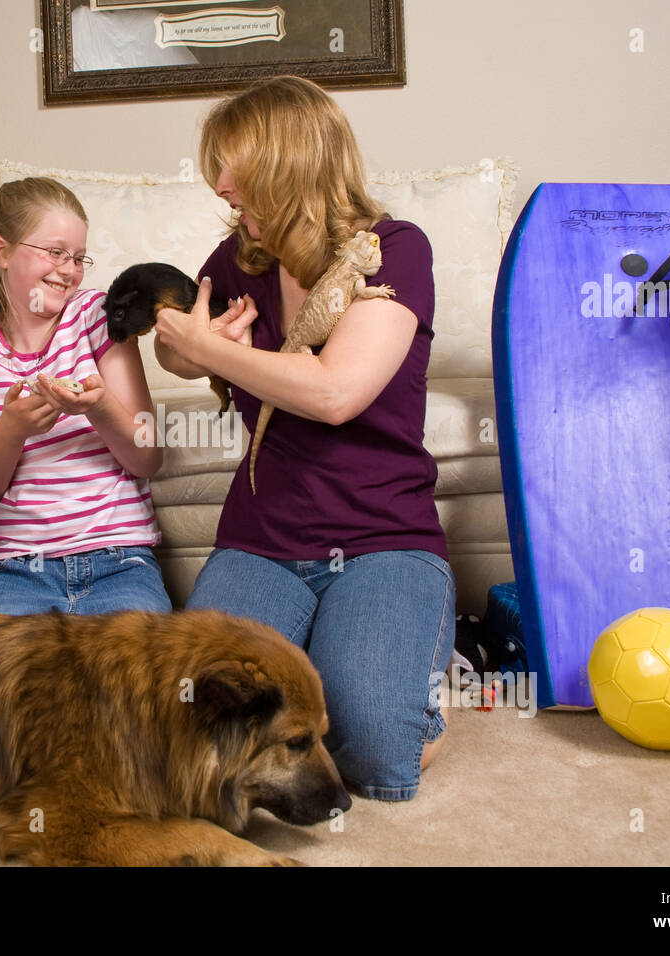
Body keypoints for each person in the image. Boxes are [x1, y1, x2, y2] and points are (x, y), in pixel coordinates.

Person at [153, 76, 454, 801]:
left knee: (374, 759)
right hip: (264, 539)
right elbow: (175, 346)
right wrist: (189, 350)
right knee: (194, 731)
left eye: (235, 169)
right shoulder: (241, 260)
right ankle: (338, 653)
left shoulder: (393, 250)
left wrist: (215, 353)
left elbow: (335, 394)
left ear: (290, 167)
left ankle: (412, 672)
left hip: (383, 539)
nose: (221, 187)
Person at [0, 177, 171, 614]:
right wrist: (11, 429)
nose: (69, 269)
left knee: (139, 677)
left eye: (78, 257)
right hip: (15, 568)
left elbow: (148, 458)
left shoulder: (98, 316)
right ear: (2, 250)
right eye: (55, 252)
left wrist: (101, 407)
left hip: (120, 557)